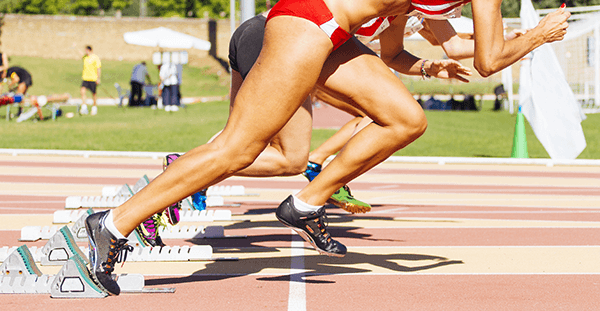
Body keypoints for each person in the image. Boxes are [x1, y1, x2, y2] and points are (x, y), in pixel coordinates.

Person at [84, 0, 570, 296]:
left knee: (406, 119)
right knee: (239, 148)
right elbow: (489, 59)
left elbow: (451, 47)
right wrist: (540, 35)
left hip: (334, 35)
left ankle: (306, 201)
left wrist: (430, 67)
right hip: (309, 21)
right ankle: (112, 224)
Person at [80, 45, 101, 116]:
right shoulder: (85, 57)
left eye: (86, 50)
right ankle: (84, 107)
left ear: (90, 50)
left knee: (94, 94)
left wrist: (98, 78)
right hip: (85, 78)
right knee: (82, 91)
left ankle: (94, 108)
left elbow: (98, 68)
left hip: (93, 79)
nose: (85, 52)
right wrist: (75, 47)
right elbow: (80, 54)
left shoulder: (95, 58)